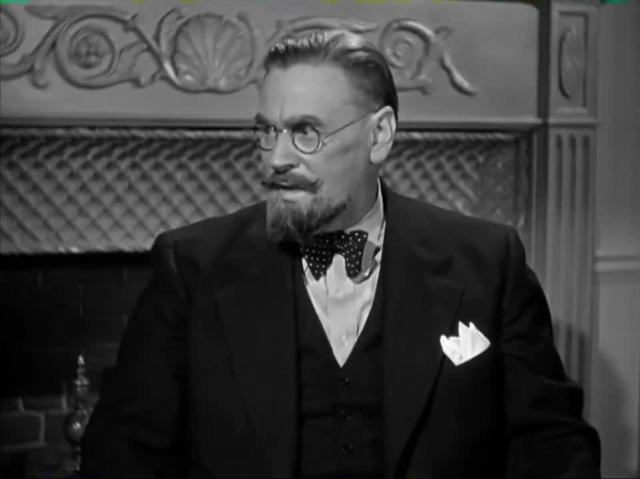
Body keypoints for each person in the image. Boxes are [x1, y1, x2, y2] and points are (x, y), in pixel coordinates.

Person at [80, 30, 601, 478]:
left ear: (380, 136)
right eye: (267, 132)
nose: (276, 159)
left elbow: (554, 445)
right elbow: (121, 455)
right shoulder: (191, 268)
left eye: (305, 132)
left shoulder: (486, 262)